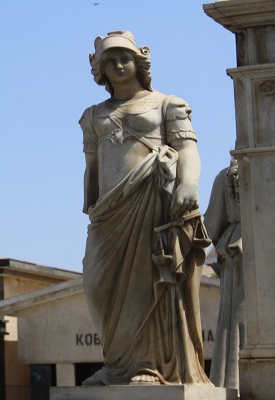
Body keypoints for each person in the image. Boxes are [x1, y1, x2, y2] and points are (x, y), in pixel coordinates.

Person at [79, 31, 212, 385]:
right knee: (97, 286)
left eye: (125, 58)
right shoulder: (93, 116)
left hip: (153, 197)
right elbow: (92, 165)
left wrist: (188, 183)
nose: (119, 65)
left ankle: (148, 365)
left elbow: (187, 150)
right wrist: (90, 206)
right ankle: (116, 363)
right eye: (110, 60)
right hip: (109, 212)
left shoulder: (167, 104)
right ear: (100, 70)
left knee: (146, 281)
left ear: (139, 62)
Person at [205, 159, 245, 390]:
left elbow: (210, 226)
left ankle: (232, 382)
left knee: (234, 321)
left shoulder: (225, 176)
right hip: (250, 249)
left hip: (238, 252)